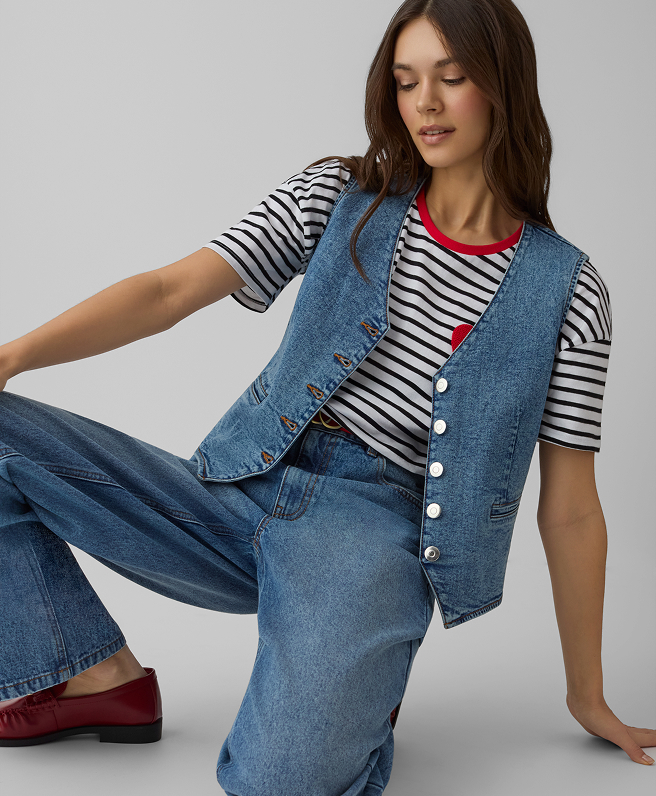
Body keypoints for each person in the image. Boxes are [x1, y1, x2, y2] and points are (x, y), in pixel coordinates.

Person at [0, 0, 654, 793]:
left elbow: (573, 509)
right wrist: (11, 357)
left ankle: (360, 679)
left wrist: (587, 693)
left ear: (504, 86)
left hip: (372, 534)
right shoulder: (340, 193)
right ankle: (90, 678)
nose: (425, 103)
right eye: (406, 81)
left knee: (281, 782)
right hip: (242, 486)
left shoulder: (570, 292)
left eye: (452, 78)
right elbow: (170, 290)